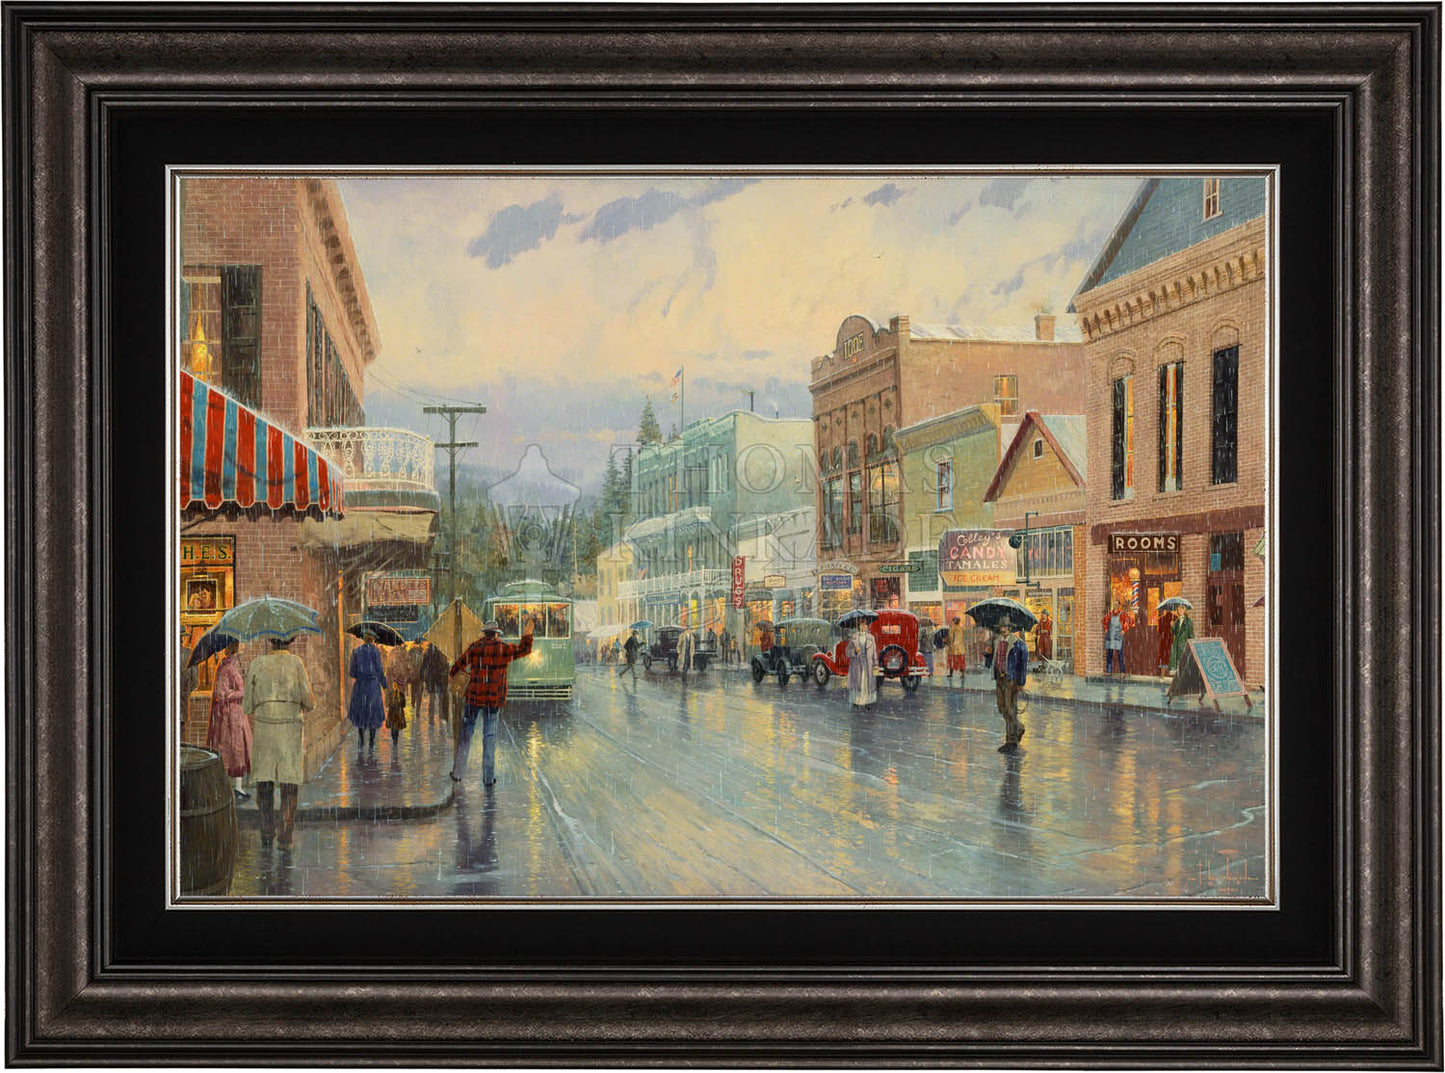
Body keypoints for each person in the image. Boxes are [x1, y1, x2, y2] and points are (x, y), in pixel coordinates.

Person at [243, 636, 315, 849]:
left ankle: (266, 832)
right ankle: (285, 837)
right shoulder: (296, 663)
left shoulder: (258, 663)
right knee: (289, 784)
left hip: (264, 729)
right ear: (290, 641)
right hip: (289, 729)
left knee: (264, 784)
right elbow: (309, 701)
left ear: (271, 642)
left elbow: (247, 706)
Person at [449, 620, 534, 786]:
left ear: (484, 633)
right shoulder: (503, 649)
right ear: (496, 633)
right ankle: (488, 778)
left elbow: (455, 668)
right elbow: (524, 650)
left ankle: (458, 773)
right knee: (489, 738)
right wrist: (527, 635)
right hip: (493, 701)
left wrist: (467, 677)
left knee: (466, 736)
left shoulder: (475, 648)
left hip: (474, 698)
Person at [206, 639, 252, 800]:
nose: (245, 646)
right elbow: (221, 694)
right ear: (235, 646)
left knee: (238, 749)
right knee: (231, 749)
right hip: (229, 716)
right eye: (242, 643)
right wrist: (242, 692)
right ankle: (230, 788)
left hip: (236, 714)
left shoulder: (234, 665)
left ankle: (237, 787)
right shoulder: (227, 667)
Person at [347, 631, 388, 753]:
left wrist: (360, 675)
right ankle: (371, 741)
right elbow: (379, 670)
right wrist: (384, 685)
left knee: (361, 711)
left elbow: (352, 672)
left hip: (360, 685)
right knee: (372, 712)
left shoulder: (356, 651)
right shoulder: (375, 651)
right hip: (372, 686)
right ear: (373, 639)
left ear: (364, 639)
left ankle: (361, 739)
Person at [997, 624, 1029, 752]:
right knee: (1002, 708)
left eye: (1006, 627)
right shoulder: (998, 641)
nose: (1003, 629)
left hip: (1011, 679)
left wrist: (1021, 682)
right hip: (1000, 678)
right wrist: (987, 653)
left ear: (1010, 629)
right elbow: (993, 660)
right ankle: (1018, 727)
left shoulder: (1019, 644)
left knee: (1010, 710)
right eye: (1001, 626)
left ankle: (1011, 741)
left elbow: (1023, 665)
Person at [846, 621, 879, 708]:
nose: (864, 626)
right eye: (862, 625)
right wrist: (854, 651)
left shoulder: (871, 638)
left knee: (867, 683)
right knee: (858, 683)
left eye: (865, 625)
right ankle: (857, 701)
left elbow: (874, 653)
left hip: (868, 664)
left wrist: (875, 664)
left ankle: (867, 702)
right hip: (856, 665)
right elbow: (847, 652)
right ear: (859, 626)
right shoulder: (854, 637)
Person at [420, 639, 451, 725]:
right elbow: (424, 666)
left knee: (434, 699)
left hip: (433, 679)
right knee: (437, 699)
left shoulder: (429, 653)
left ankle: (433, 718)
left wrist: (422, 677)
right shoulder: (441, 653)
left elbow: (423, 666)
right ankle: (438, 717)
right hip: (437, 679)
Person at [1102, 602, 1135, 675]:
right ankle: (1109, 671)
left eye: (1116, 604)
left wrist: (1124, 630)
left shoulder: (1122, 614)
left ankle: (1122, 672)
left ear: (1119, 605)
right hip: (1110, 636)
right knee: (1109, 654)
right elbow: (1104, 620)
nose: (1115, 606)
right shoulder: (1110, 614)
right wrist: (1106, 628)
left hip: (1117, 636)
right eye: (1114, 604)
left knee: (1120, 654)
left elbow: (1131, 621)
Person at [1169, 606, 1195, 672]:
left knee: (1183, 660)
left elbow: (1191, 634)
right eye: (1178, 609)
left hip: (1184, 643)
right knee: (1176, 660)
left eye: (1181, 609)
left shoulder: (1188, 621)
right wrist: (1172, 626)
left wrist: (1190, 644)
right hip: (1177, 643)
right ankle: (1177, 672)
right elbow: (1174, 632)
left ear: (1184, 611)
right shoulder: (1177, 621)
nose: (1180, 611)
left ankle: (1182, 673)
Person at [384, 679, 407, 750]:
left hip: (398, 713)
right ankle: (394, 740)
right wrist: (391, 703)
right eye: (394, 685)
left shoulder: (401, 695)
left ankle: (395, 742)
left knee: (396, 729)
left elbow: (403, 704)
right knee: (392, 728)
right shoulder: (391, 694)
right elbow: (387, 703)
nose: (395, 687)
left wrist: (398, 704)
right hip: (392, 713)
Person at [946, 616, 968, 681]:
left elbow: (951, 638)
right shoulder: (961, 628)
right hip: (961, 648)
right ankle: (962, 674)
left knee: (952, 661)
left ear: (953, 622)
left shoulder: (952, 629)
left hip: (953, 648)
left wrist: (946, 641)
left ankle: (951, 673)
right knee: (961, 661)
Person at [1156, 607, 1175, 677]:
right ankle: (1171, 675)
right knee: (1170, 657)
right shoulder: (1176, 618)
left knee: (1164, 658)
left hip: (1164, 641)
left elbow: (1160, 631)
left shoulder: (1161, 619)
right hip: (1171, 640)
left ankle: (1162, 675)